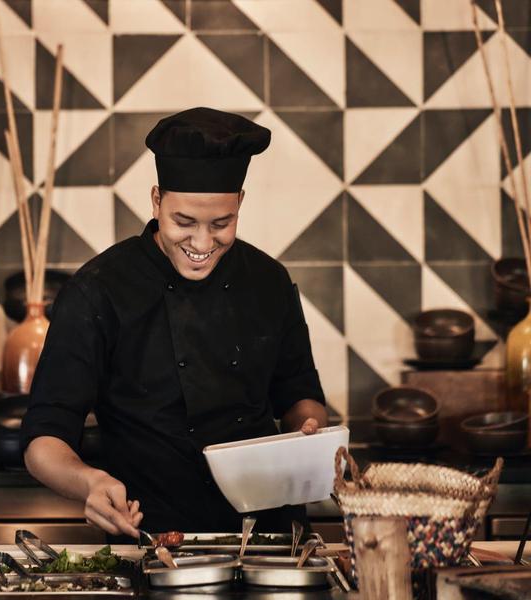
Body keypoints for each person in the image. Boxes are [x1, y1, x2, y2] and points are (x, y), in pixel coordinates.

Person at [20, 107, 328, 539]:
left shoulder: (268, 281)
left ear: (240, 203)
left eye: (222, 224)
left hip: (270, 542)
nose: (202, 243)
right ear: (156, 201)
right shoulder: (98, 290)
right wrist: (90, 481)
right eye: (184, 222)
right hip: (154, 545)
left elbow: (301, 397)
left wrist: (308, 434)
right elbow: (43, 442)